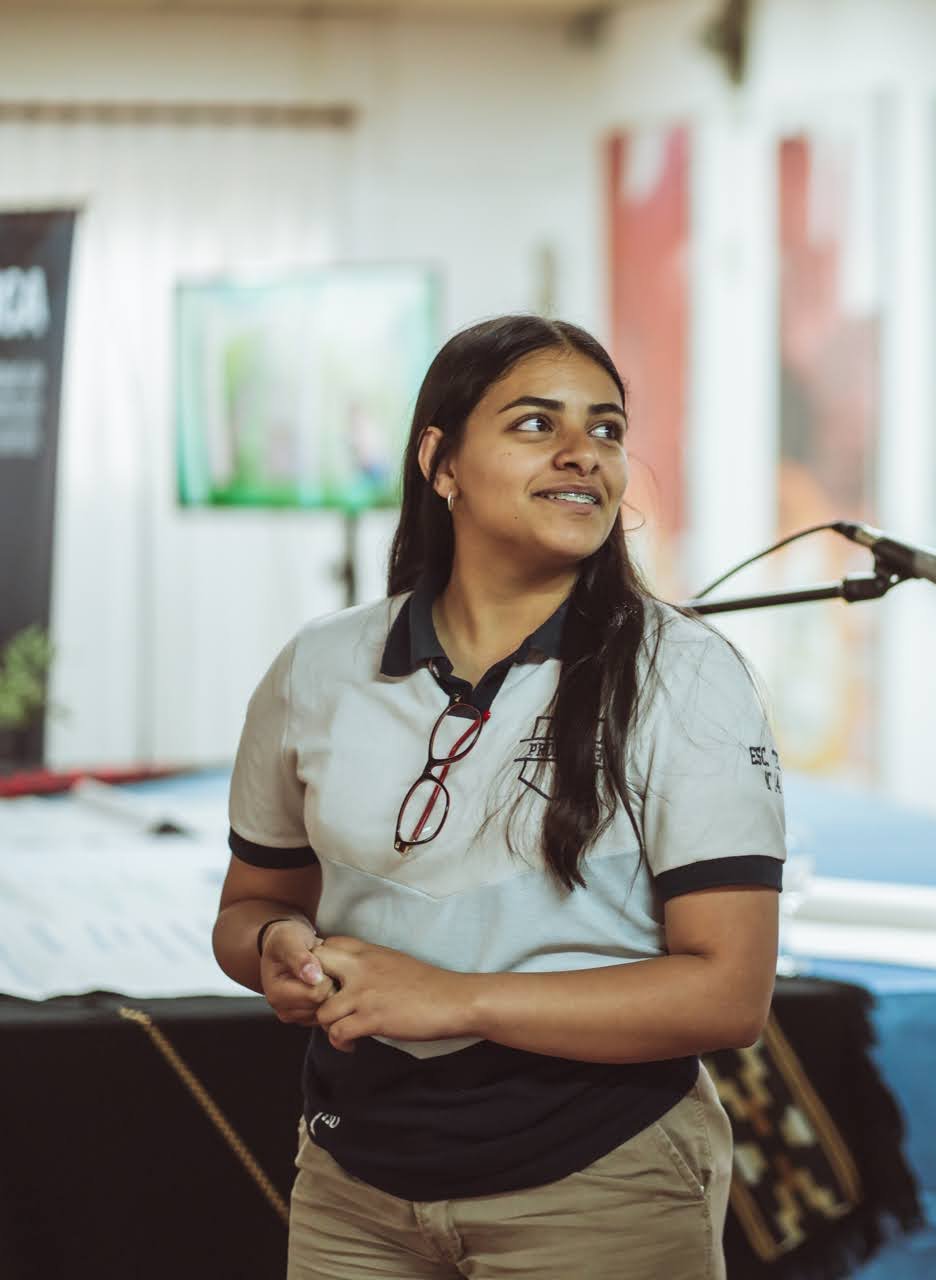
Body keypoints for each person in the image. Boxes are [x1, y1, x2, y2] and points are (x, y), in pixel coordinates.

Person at [210, 315, 785, 1279]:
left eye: (606, 429)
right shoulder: (318, 667)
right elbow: (248, 910)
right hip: (353, 1185)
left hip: (599, 1183)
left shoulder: (685, 675)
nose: (583, 456)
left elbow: (729, 994)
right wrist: (274, 949)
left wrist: (452, 999)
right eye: (533, 424)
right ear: (441, 463)